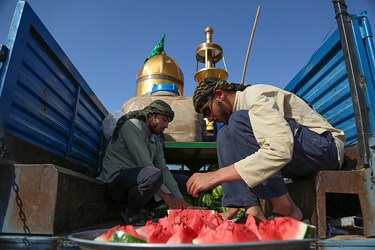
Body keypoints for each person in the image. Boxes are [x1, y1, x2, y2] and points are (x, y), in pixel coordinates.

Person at [187, 77, 345, 221]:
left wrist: (216, 176)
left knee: (237, 121)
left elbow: (280, 150)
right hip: (297, 160)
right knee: (224, 134)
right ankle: (251, 208)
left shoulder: (254, 95)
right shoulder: (237, 118)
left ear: (219, 94)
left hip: (325, 149)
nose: (209, 119)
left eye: (207, 111)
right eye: (205, 116)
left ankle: (285, 207)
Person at [97, 100, 187, 225]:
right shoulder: (132, 126)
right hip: (116, 183)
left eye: (168, 122)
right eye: (164, 120)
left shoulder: (155, 140)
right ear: (150, 116)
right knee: (153, 175)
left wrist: (180, 201)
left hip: (138, 182)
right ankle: (131, 212)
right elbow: (145, 163)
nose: (166, 126)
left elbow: (164, 169)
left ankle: (144, 210)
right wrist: (168, 199)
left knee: (182, 181)